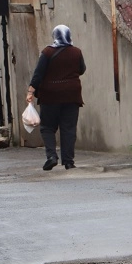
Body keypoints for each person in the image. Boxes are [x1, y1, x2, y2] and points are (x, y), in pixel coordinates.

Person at [26, 24, 87, 171]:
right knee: (69, 129)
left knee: (47, 127)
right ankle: (69, 162)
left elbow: (38, 73)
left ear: (54, 36)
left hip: (50, 96)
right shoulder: (77, 52)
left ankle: (52, 157)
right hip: (72, 96)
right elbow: (82, 69)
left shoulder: (47, 52)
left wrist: (30, 91)